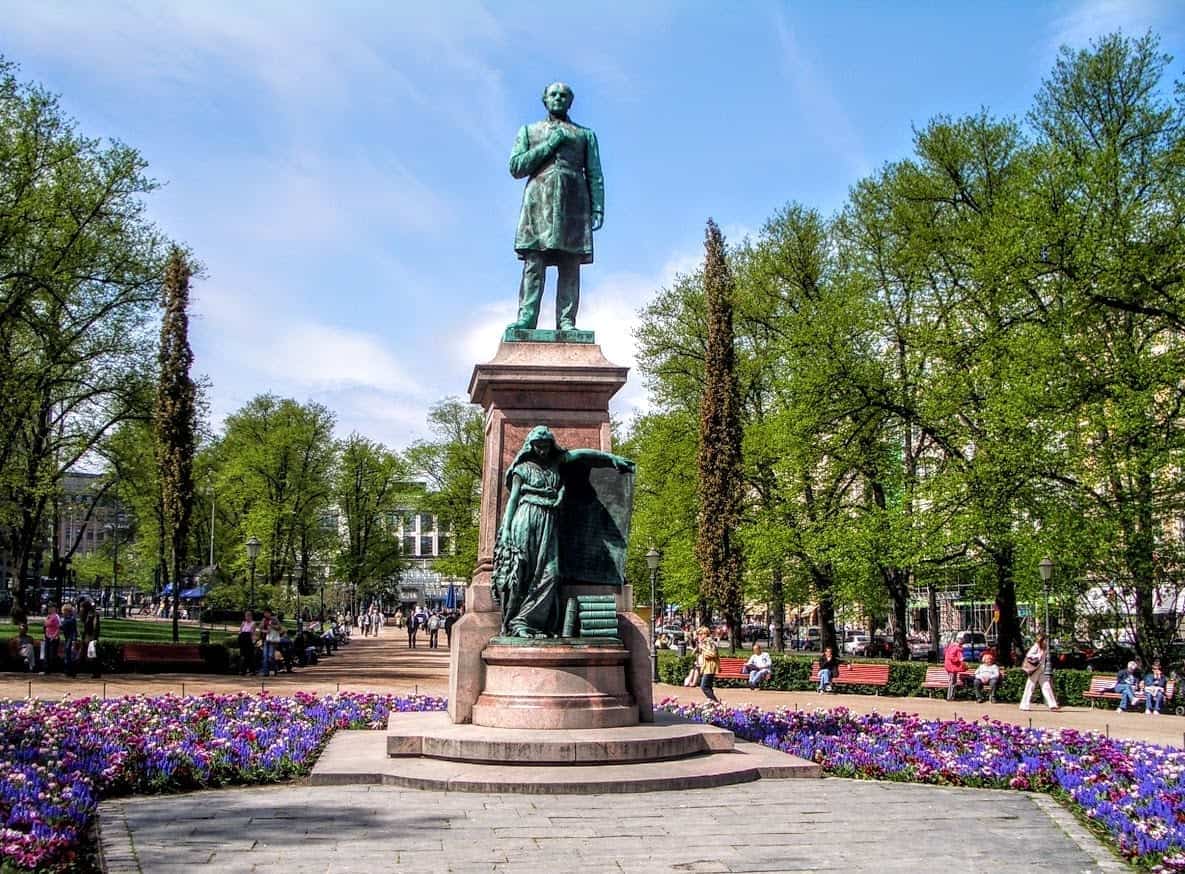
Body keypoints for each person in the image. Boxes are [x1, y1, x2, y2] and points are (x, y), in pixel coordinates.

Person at [491, 426, 633, 637]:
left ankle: (528, 620)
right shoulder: (521, 469)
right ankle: (515, 624)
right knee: (522, 574)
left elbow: (582, 454)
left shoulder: (557, 462)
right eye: (538, 446)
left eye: (546, 446)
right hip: (526, 519)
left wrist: (611, 459)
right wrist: (506, 531)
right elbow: (512, 501)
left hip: (549, 521)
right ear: (530, 446)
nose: (542, 450)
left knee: (553, 573)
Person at [507, 82, 604, 333]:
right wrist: (549, 145)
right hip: (538, 203)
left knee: (570, 264)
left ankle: (566, 321)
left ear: (570, 102)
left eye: (564, 96)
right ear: (545, 100)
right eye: (554, 95)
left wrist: (598, 207)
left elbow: (594, 173)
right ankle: (526, 319)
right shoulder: (529, 131)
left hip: (574, 203)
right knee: (534, 263)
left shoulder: (585, 135)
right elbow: (516, 167)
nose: (558, 99)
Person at [1019, 635, 1061, 711]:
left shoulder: (1044, 647)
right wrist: (1039, 655)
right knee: (1030, 687)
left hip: (1041, 669)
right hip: (1035, 669)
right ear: (1042, 640)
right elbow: (1029, 655)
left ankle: (1052, 705)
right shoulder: (1036, 646)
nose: (1047, 642)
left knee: (1046, 686)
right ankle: (1024, 705)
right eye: (1045, 640)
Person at [694, 626, 719, 703]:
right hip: (706, 666)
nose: (698, 636)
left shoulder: (708, 642)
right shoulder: (704, 643)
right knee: (708, 686)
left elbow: (713, 654)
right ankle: (712, 703)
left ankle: (716, 702)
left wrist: (703, 649)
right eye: (698, 634)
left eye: (700, 634)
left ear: (705, 634)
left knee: (704, 686)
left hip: (710, 666)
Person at [80, 600, 101, 678]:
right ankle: (74, 671)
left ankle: (96, 672)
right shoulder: (86, 615)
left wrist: (94, 638)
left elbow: (96, 627)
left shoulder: (93, 615)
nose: (81, 609)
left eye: (82, 607)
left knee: (92, 655)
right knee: (83, 654)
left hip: (91, 637)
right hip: (86, 636)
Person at [42, 604, 61, 674]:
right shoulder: (48, 617)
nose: (49, 609)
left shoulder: (56, 617)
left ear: (54, 609)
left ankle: (52, 669)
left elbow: (59, 628)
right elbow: (45, 626)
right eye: (49, 608)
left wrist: (54, 636)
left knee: (52, 654)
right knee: (46, 653)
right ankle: (46, 670)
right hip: (47, 637)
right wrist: (44, 635)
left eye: (51, 608)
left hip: (54, 638)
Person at [61, 603, 79, 678]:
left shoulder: (71, 619)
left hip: (70, 639)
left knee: (70, 656)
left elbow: (74, 631)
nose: (63, 613)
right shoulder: (66, 619)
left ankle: (71, 672)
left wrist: (74, 640)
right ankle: (68, 671)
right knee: (68, 655)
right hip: (67, 638)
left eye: (64, 611)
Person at [238, 610, 256, 676]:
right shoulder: (243, 623)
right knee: (243, 656)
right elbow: (240, 631)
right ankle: (242, 670)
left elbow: (253, 633)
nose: (247, 617)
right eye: (246, 616)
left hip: (249, 640)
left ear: (251, 616)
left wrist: (253, 641)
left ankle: (252, 671)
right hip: (243, 640)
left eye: (249, 616)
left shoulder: (253, 623)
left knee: (249, 656)